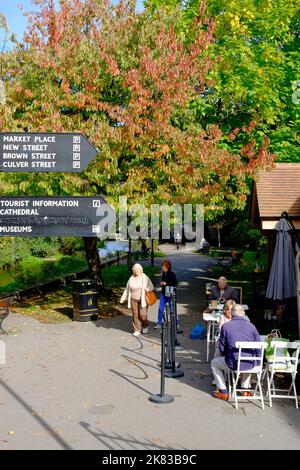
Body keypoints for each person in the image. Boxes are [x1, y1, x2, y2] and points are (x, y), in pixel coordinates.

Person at [210, 304, 261, 401]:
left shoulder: (226, 327)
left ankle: (223, 391)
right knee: (249, 358)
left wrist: (226, 355)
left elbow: (222, 347)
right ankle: (245, 389)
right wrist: (259, 362)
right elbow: (258, 347)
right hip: (250, 363)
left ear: (232, 315)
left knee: (214, 363)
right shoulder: (252, 326)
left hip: (233, 362)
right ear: (244, 314)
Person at [120, 263, 154, 337]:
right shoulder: (131, 278)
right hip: (133, 299)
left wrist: (147, 289)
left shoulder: (145, 277)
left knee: (142, 315)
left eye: (138, 269)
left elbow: (151, 287)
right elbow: (127, 289)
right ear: (133, 271)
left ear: (141, 270)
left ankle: (145, 326)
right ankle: (137, 329)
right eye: (135, 269)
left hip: (143, 299)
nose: (137, 270)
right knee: (135, 315)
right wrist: (123, 298)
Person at [154, 260, 178, 329]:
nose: (162, 267)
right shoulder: (163, 274)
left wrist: (166, 283)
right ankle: (159, 323)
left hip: (170, 294)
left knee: (172, 309)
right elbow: (163, 283)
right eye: (162, 266)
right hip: (163, 293)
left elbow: (175, 283)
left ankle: (176, 323)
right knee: (160, 309)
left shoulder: (172, 274)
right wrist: (162, 284)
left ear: (167, 267)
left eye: (163, 266)